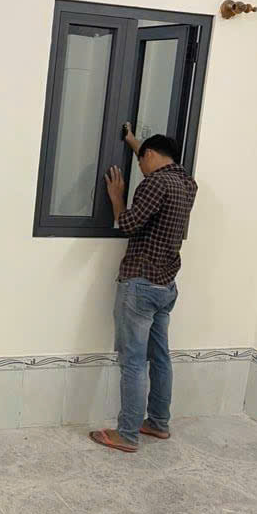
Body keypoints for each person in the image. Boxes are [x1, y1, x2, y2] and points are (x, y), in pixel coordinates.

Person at [89, 128, 198, 453]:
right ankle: (158, 423)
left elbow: (127, 224)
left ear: (151, 156)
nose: (140, 168)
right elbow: (158, 158)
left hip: (140, 284)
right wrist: (136, 143)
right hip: (165, 285)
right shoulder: (187, 184)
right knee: (160, 356)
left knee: (134, 362)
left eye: (141, 161)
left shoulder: (154, 184)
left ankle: (127, 434)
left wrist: (117, 196)